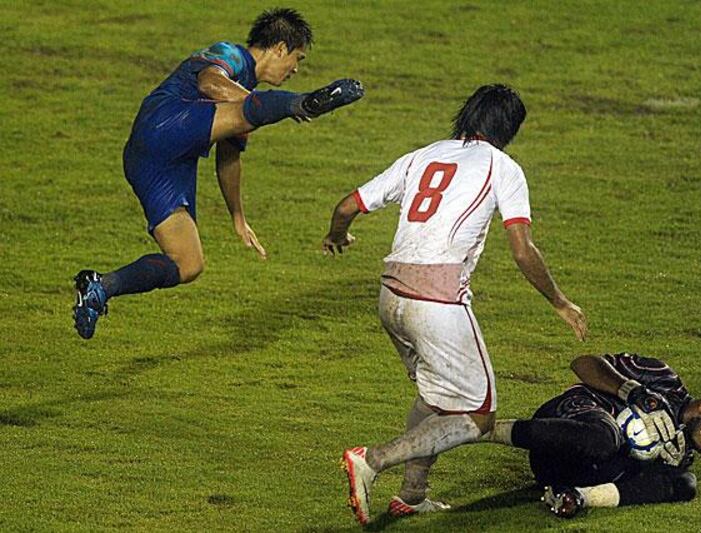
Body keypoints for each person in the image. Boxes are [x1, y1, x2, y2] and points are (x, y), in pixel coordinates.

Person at [322, 84, 588, 525]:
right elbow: (523, 250)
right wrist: (559, 301)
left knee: (433, 396)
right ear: (510, 129)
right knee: (479, 416)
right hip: (437, 303)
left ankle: (412, 494)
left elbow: (348, 205)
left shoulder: (420, 155)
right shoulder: (503, 167)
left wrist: (336, 236)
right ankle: (373, 460)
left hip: (390, 297)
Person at [72, 8, 364, 339]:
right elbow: (209, 82)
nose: (295, 68)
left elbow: (228, 160)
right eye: (297, 58)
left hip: (156, 165)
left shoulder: (242, 110)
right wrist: (272, 106)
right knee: (255, 112)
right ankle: (304, 104)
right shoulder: (231, 54)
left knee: (187, 263)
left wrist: (238, 217)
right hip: (162, 125)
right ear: (280, 48)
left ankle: (100, 288)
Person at [481, 352, 701, 517]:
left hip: (562, 473)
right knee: (604, 437)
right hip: (563, 427)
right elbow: (583, 363)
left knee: (686, 483)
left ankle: (577, 497)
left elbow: (631, 471)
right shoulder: (664, 379)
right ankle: (483, 430)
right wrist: (631, 391)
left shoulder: (680, 453)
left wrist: (656, 463)